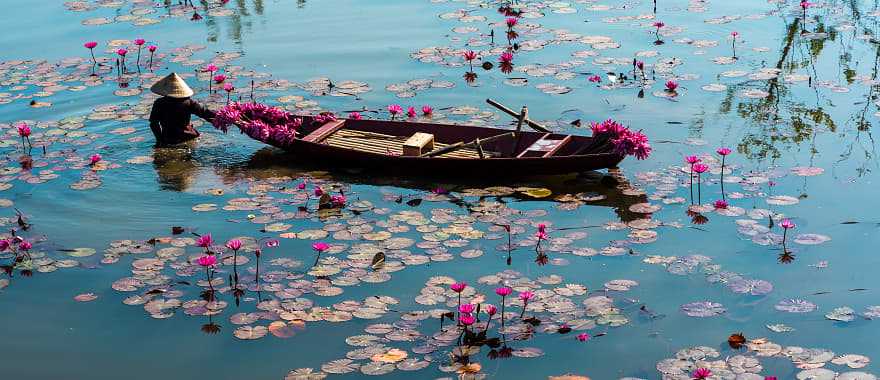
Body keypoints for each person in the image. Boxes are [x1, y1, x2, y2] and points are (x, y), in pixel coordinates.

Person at [148, 73, 215, 146]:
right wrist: (221, 116)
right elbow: (205, 113)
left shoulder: (159, 103)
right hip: (189, 136)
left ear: (166, 90)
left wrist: (160, 140)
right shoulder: (188, 102)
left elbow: (153, 123)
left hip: (169, 139)